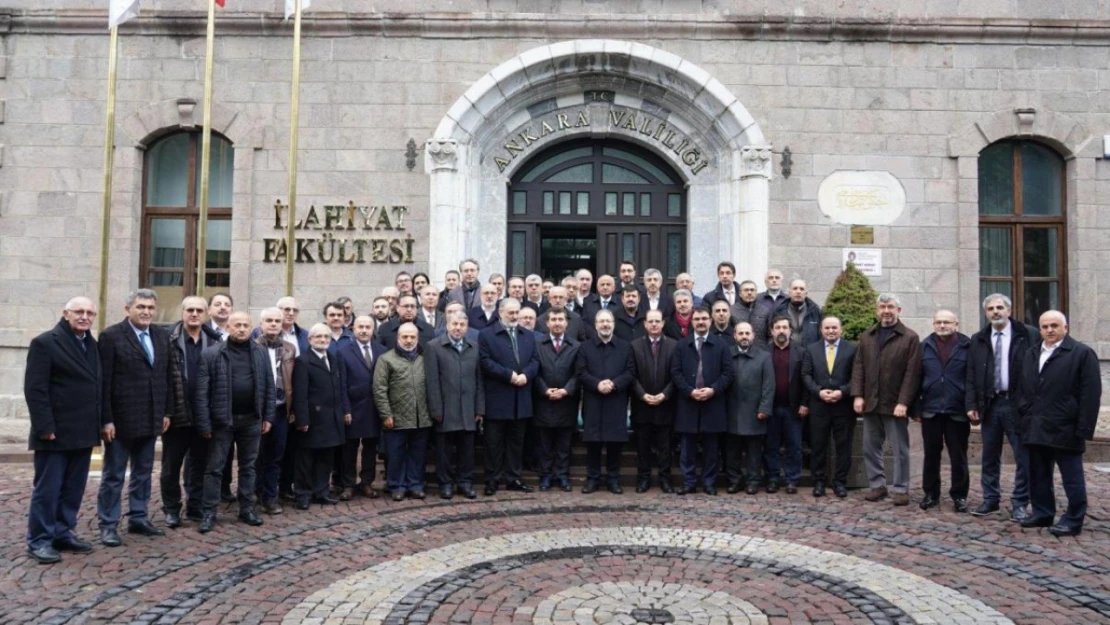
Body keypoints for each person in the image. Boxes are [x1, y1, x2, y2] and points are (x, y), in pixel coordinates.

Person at [24, 297, 102, 564]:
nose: (84, 316)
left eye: (90, 313)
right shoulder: (45, 343)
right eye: (79, 312)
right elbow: (35, 389)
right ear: (65, 313)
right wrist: (44, 426)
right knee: (48, 489)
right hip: (54, 432)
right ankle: (39, 540)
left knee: (73, 488)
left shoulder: (91, 345)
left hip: (82, 431)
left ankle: (62, 532)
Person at [97, 288, 177, 547]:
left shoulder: (161, 336)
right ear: (128, 309)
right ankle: (108, 524)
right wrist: (105, 419)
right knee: (114, 475)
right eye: (141, 307)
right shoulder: (111, 336)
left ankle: (138, 517)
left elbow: (166, 376)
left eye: (151, 308)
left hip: (151, 418)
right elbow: (104, 382)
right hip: (120, 422)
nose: (146, 312)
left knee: (143, 472)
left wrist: (167, 411)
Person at [1017, 311, 1101, 536]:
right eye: (1044, 326)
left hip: (1066, 427)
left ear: (1066, 328)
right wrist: (1024, 414)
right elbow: (1023, 388)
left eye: (1054, 325)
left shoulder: (1081, 353)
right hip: (1036, 425)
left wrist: (1083, 428)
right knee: (1038, 474)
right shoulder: (1032, 353)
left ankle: (1073, 519)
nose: (1049, 330)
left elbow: (1090, 393)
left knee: (1072, 478)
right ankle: (1042, 512)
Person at [194, 311, 276, 533]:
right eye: (237, 325)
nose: (241, 329)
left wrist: (268, 416)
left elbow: (269, 386)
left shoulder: (260, 353)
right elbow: (202, 393)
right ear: (228, 327)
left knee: (248, 467)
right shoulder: (212, 354)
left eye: (245, 325)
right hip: (222, 421)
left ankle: (247, 508)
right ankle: (209, 511)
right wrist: (204, 424)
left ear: (251, 328)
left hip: (251, 420)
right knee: (214, 468)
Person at [966, 293, 1037, 521]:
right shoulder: (978, 338)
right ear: (985, 313)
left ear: (1009, 309)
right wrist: (971, 404)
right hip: (990, 404)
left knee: (1022, 455)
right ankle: (990, 499)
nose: (995, 312)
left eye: (999, 308)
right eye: (990, 309)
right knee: (989, 456)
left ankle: (1020, 502)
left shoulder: (1027, 334)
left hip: (1018, 404)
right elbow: (971, 374)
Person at [851, 293, 922, 506]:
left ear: (899, 310)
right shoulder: (867, 336)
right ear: (877, 310)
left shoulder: (910, 337)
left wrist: (904, 402)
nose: (886, 311)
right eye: (882, 307)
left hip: (895, 404)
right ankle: (877, 486)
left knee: (899, 449)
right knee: (870, 447)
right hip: (871, 402)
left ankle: (900, 489)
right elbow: (859, 367)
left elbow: (913, 373)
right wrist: (857, 395)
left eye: (890, 306)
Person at [163, 296, 220, 527]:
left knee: (200, 464)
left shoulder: (215, 341)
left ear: (206, 313)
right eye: (190, 310)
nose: (194, 314)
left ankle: (195, 506)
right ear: (182, 312)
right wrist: (165, 412)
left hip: (205, 415)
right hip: (177, 413)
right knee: (170, 466)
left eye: (199, 310)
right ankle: (171, 509)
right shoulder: (168, 339)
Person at [478, 298, 540, 496]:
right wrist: (509, 375)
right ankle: (492, 479)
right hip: (497, 397)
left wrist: (526, 375)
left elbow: (535, 360)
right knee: (493, 443)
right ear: (500, 312)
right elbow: (485, 361)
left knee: (516, 442)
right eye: (511, 313)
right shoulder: (486, 335)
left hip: (520, 397)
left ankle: (514, 478)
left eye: (517, 312)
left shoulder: (528, 335)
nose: (515, 317)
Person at [671, 307, 735, 496]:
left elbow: (728, 373)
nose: (700, 322)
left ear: (711, 321)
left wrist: (713, 389)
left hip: (713, 402)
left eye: (704, 319)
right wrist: (690, 391)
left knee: (711, 447)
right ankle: (689, 482)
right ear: (692, 322)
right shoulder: (682, 345)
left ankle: (709, 482)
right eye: (697, 319)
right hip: (688, 402)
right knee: (687, 446)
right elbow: (675, 373)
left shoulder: (721, 345)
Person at [917, 309, 972, 513]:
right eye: (938, 322)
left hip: (957, 410)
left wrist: (971, 405)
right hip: (931, 409)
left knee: (958, 456)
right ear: (933, 324)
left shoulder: (967, 346)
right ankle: (931, 494)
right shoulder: (924, 346)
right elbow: (916, 378)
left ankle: (959, 496)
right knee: (931, 455)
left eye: (947, 322)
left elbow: (972, 378)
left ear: (956, 324)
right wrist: (916, 407)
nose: (942, 325)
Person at [425, 312, 484, 500]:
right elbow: (432, 381)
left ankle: (465, 483)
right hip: (445, 408)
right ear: (447, 326)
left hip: (468, 408)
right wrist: (436, 409)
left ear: (467, 327)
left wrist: (479, 408)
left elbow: (479, 380)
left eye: (462, 325)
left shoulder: (474, 347)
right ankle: (446, 484)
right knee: (444, 451)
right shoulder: (434, 347)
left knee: (467, 450)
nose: (458, 328)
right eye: (454, 324)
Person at [291, 324, 350, 509]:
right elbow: (300, 393)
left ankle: (321, 491)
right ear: (310, 340)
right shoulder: (303, 361)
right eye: (318, 337)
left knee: (326, 458)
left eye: (326, 337)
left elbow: (340, 388)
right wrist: (302, 419)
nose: (323, 340)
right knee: (306, 459)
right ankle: (303, 495)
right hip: (313, 419)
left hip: (332, 417)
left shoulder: (333, 358)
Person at [577, 310, 635, 494]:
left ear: (613, 324)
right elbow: (581, 372)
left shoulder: (625, 347)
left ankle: (613, 479)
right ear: (595, 325)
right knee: (593, 444)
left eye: (608, 321)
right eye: (601, 321)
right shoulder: (585, 347)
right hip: (593, 400)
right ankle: (592, 479)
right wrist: (597, 384)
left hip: (616, 401)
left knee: (614, 444)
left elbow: (630, 372)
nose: (605, 325)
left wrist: (614, 384)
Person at [374, 323, 434, 501]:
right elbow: (379, 389)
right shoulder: (386, 359)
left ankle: (415, 484)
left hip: (421, 417)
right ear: (397, 338)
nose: (409, 341)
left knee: (418, 454)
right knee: (396, 454)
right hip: (396, 417)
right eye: (405, 337)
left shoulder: (425, 358)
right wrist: (386, 414)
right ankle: (397, 485)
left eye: (412, 337)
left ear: (417, 338)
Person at [801, 316, 857, 498]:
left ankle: (840, 482)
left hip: (843, 406)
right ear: (821, 330)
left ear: (841, 329)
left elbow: (856, 377)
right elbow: (806, 375)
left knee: (843, 446)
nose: (831, 331)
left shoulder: (852, 349)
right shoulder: (811, 349)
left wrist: (842, 391)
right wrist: (819, 392)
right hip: (819, 406)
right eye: (827, 328)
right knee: (818, 445)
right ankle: (819, 482)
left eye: (834, 328)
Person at [334, 315, 386, 501]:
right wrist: (345, 409)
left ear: (373, 330)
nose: (364, 330)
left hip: (374, 408)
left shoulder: (382, 350)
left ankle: (366, 482)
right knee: (349, 448)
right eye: (360, 327)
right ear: (353, 329)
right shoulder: (343, 351)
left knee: (370, 448)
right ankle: (348, 484)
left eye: (368, 327)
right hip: (353, 408)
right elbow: (341, 383)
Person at [533, 308, 581, 492]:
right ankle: (545, 476)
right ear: (547, 323)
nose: (557, 323)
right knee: (544, 444)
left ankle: (562, 476)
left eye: (561, 319)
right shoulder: (538, 344)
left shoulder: (575, 346)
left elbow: (578, 373)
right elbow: (534, 372)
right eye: (553, 319)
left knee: (564, 444)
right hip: (544, 401)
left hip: (566, 401)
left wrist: (566, 390)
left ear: (566, 323)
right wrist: (544, 390)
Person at [254, 307, 296, 515]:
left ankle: (270, 497)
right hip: (257, 410)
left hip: (280, 409)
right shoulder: (251, 347)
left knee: (276, 455)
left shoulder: (290, 349)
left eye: (276, 321)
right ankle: (254, 493)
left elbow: (292, 381)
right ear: (261, 323)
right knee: (255, 455)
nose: (273, 324)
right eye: (268, 320)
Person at [629, 309, 677, 493]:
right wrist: (643, 395)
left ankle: (665, 479)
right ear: (645, 324)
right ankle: (643, 479)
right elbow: (631, 375)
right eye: (651, 321)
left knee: (665, 447)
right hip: (642, 404)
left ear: (663, 323)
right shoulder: (635, 346)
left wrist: (665, 394)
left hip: (665, 404)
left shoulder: (673, 346)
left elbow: (676, 375)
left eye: (658, 321)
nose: (654, 324)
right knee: (643, 446)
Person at [724, 322, 774, 495]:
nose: (744, 336)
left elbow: (769, 385)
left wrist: (765, 408)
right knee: (732, 450)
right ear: (735, 336)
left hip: (755, 411)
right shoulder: (727, 354)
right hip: (731, 410)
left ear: (753, 335)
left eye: (747, 333)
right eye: (741, 333)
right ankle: (735, 480)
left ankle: (753, 481)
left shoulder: (764, 357)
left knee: (754, 451)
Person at [763, 316, 809, 494]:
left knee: (794, 446)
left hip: (793, 407)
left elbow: (806, 379)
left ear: (790, 331)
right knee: (771, 446)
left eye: (785, 327)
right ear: (772, 331)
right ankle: (773, 478)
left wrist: (805, 403)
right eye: (778, 327)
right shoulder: (764, 352)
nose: (781, 331)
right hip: (771, 407)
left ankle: (792, 479)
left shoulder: (801, 352)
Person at [774, 279, 822, 348]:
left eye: (802, 289)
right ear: (789, 292)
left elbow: (821, 335)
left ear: (806, 293)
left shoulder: (816, 311)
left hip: (810, 354)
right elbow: (771, 334)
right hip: (787, 354)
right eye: (795, 288)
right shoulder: (779, 311)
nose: (798, 291)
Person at [732, 280, 772, 350]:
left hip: (760, 353)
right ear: (740, 294)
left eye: (752, 290)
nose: (749, 293)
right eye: (746, 290)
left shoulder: (765, 310)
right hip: (739, 353)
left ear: (756, 293)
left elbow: (770, 335)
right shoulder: (732, 310)